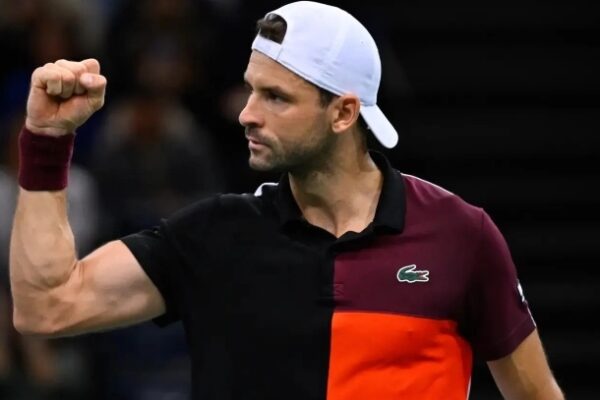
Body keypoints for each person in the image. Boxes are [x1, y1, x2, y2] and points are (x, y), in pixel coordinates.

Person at [9, 1, 564, 399]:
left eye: (276, 97)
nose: (247, 113)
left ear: (343, 113)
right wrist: (47, 141)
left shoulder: (459, 235)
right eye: (251, 89)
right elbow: (47, 306)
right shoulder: (214, 236)